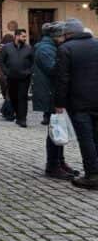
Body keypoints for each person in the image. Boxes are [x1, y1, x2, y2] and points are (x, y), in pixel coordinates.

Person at [54, 18, 98, 190]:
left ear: (68, 34)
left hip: (79, 101)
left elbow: (62, 79)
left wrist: (59, 103)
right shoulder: (96, 44)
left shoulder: (66, 48)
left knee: (86, 139)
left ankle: (92, 174)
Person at [32, 22, 77, 180]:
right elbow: (53, 70)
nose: (64, 38)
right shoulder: (45, 49)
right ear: (56, 36)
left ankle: (60, 162)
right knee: (54, 130)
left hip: (54, 93)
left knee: (59, 128)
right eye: (62, 35)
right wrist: (68, 63)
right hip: (50, 94)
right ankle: (52, 165)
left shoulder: (51, 47)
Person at [0, 28, 33, 127]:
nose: (25, 38)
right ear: (17, 36)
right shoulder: (7, 48)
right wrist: (7, 72)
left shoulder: (29, 48)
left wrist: (29, 72)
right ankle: (18, 116)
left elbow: (33, 62)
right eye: (23, 36)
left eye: (25, 36)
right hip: (11, 77)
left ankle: (23, 119)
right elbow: (1, 62)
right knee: (13, 97)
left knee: (22, 98)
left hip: (24, 78)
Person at [0, 32, 15, 120]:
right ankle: (8, 113)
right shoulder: (7, 50)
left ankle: (5, 111)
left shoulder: (0, 49)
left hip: (2, 74)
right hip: (7, 74)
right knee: (10, 94)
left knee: (8, 94)